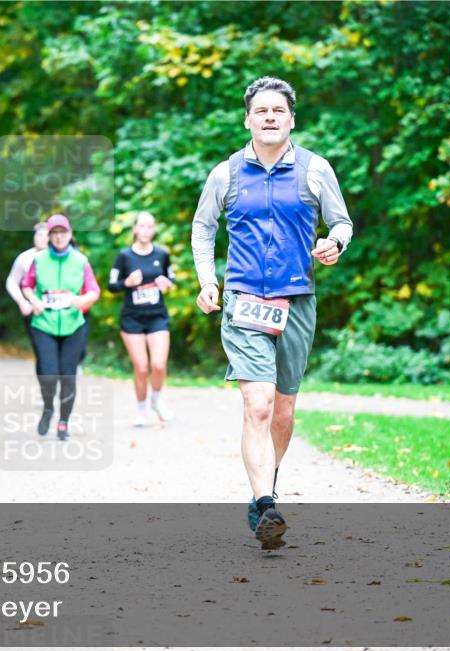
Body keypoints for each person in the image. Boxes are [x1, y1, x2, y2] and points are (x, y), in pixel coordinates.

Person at [191, 76, 353, 549]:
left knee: (283, 410)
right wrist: (207, 279)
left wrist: (333, 243)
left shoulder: (314, 169)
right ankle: (265, 505)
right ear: (247, 119)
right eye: (261, 110)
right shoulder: (225, 174)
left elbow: (341, 221)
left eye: (278, 111)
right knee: (257, 404)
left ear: (291, 119)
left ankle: (267, 486)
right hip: (243, 301)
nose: (269, 117)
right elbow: (203, 229)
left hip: (298, 299)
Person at [21, 214, 101, 441]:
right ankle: (48, 407)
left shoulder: (80, 261)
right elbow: (27, 285)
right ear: (49, 236)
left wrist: (83, 300)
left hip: (73, 325)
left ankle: (64, 421)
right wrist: (33, 300)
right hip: (44, 324)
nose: (58, 237)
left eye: (62, 233)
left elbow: (94, 290)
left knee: (67, 376)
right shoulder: (39, 260)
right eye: (54, 233)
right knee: (48, 374)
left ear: (70, 234)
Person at [108, 212, 175, 426]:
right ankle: (141, 409)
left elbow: (170, 278)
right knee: (141, 367)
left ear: (153, 230)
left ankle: (155, 399)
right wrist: (127, 283)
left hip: (157, 317)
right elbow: (112, 285)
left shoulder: (162, 254)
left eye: (149, 227)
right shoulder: (124, 256)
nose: (145, 230)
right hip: (132, 320)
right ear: (135, 229)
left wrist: (168, 283)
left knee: (158, 364)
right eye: (142, 226)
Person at [5, 222, 50, 341]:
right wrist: (21, 301)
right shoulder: (25, 258)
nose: (42, 238)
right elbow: (12, 281)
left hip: (55, 306)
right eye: (39, 235)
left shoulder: (60, 257)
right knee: (40, 345)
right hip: (33, 307)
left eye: (46, 235)